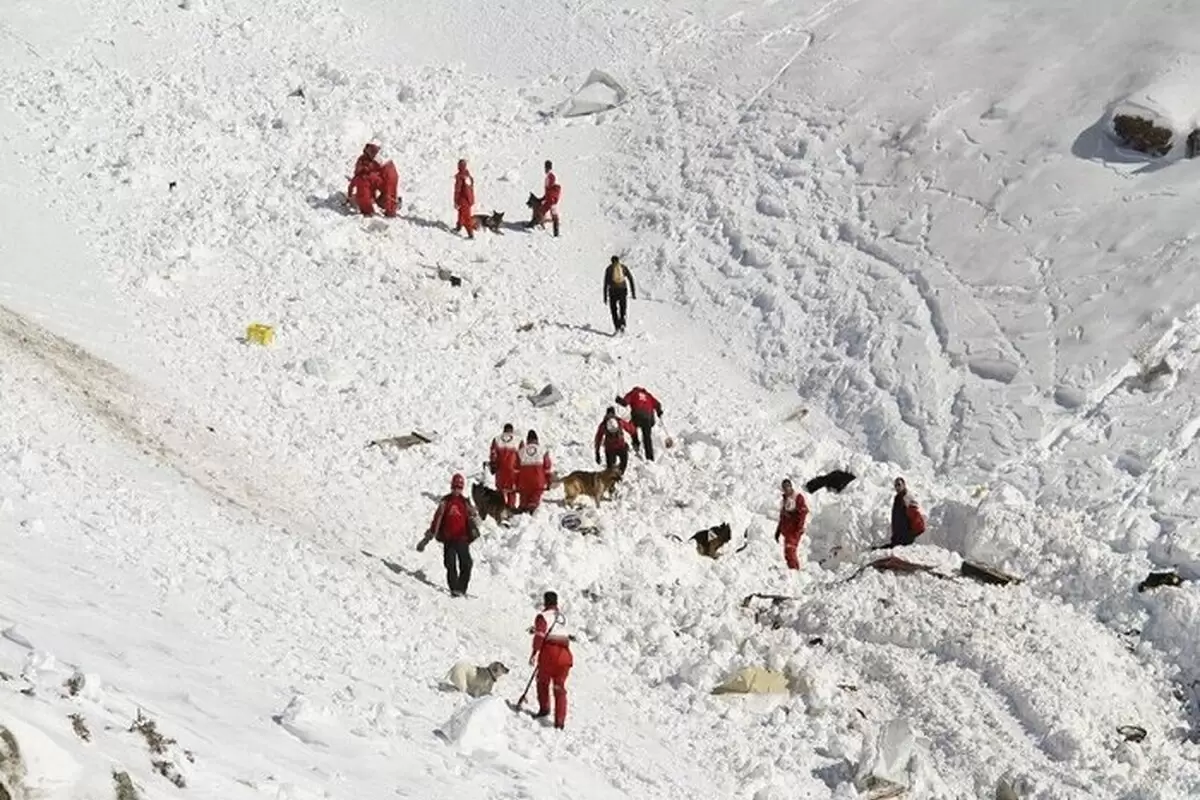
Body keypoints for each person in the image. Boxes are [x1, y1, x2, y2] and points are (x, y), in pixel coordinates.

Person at [416, 473, 480, 597]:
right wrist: (427, 538)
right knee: (450, 564)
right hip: (449, 539)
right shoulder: (445, 501)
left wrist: (475, 515)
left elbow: (475, 517)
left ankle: (461, 588)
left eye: (459, 487)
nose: (457, 490)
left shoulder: (465, 502)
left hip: (462, 538)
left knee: (466, 563)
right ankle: (454, 588)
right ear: (451, 487)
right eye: (455, 487)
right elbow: (437, 519)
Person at [529, 590, 573, 729]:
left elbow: (540, 636)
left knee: (542, 681)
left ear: (545, 602)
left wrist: (534, 652)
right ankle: (559, 722)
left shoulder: (542, 616)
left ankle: (544, 709)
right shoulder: (562, 617)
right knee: (559, 688)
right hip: (565, 656)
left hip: (550, 654)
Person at [347, 143, 399, 218]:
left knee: (389, 183)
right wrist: (350, 193)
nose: (373, 153)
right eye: (371, 150)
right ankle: (368, 210)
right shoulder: (363, 162)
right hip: (368, 184)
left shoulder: (387, 166)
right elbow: (357, 177)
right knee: (363, 182)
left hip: (383, 183)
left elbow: (391, 186)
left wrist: (391, 209)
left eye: (374, 151)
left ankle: (388, 205)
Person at [614, 385, 662, 460]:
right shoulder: (648, 395)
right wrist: (659, 412)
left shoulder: (633, 393)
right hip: (648, 418)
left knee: (632, 428)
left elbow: (625, 402)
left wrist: (618, 400)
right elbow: (658, 404)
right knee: (647, 438)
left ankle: (636, 444)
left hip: (637, 415)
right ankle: (650, 458)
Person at [774, 478, 809, 570]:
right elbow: (782, 517)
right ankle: (792, 570)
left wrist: (799, 527)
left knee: (790, 550)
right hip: (787, 530)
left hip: (794, 530)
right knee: (787, 552)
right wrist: (778, 531)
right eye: (784, 487)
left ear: (791, 487)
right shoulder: (785, 500)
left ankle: (795, 571)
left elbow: (803, 511)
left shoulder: (797, 497)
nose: (786, 489)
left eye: (788, 487)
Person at [516, 430, 552, 513]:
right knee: (534, 499)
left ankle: (522, 509)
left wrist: (516, 483)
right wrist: (549, 481)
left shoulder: (521, 451)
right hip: (538, 482)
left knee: (523, 500)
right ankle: (532, 508)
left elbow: (516, 469)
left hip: (524, 482)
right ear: (537, 439)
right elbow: (547, 468)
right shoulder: (543, 450)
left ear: (527, 440)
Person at [488, 423, 521, 509]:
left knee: (500, 491)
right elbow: (522, 456)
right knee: (512, 491)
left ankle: (500, 508)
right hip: (513, 471)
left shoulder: (497, 439)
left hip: (500, 471)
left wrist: (493, 464)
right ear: (512, 431)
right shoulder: (518, 440)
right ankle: (511, 508)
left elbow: (493, 453)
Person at [593, 406, 635, 473]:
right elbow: (631, 429)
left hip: (609, 448)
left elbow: (598, 438)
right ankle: (620, 474)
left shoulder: (603, 425)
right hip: (621, 446)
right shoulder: (619, 421)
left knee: (610, 470)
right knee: (624, 463)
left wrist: (597, 453)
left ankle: (612, 478)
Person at [602, 256, 636, 334]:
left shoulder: (609, 269)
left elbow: (605, 283)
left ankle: (617, 327)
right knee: (623, 308)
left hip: (613, 291)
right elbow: (630, 278)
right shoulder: (623, 267)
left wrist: (605, 297)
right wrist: (633, 292)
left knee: (613, 310)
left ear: (611, 261)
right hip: (623, 290)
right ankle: (623, 323)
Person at [890, 476, 926, 546]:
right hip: (898, 536)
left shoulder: (907, 497)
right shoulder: (897, 498)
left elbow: (914, 514)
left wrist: (911, 533)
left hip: (906, 536)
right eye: (895, 485)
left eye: (899, 485)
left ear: (904, 485)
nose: (897, 487)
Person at [531, 160, 561, 237]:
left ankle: (556, 233)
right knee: (548, 213)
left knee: (546, 213)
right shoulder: (550, 176)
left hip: (551, 199)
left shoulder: (551, 177)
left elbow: (551, 189)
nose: (545, 169)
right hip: (551, 199)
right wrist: (543, 198)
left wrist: (549, 198)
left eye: (546, 167)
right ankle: (556, 233)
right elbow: (549, 190)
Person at [453, 159, 476, 239]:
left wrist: (455, 201)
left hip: (462, 199)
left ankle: (470, 234)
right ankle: (458, 227)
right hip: (469, 199)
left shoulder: (460, 177)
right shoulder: (468, 176)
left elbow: (457, 190)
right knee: (461, 213)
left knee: (466, 217)